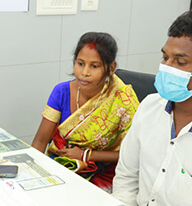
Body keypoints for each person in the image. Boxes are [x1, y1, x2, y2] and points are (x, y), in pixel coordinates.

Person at [112, 11, 192, 206]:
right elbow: (127, 178)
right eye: (165, 57)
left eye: (180, 62)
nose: (166, 68)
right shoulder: (150, 107)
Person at [32, 32, 139, 192]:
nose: (85, 72)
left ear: (111, 68)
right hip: (61, 164)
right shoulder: (61, 92)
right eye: (80, 63)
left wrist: (85, 155)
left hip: (105, 173)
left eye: (94, 66)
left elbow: (131, 155)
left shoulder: (123, 100)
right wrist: (32, 174)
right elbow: (40, 142)